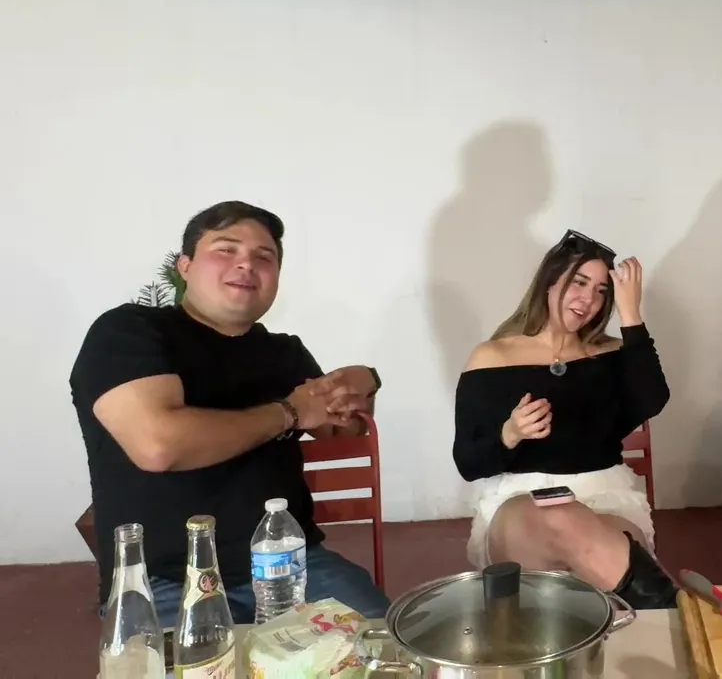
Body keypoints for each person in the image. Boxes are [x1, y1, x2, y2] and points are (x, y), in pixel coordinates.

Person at [71, 201, 391, 626]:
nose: (246, 264)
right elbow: (159, 445)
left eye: (265, 257)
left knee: (386, 649)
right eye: (226, 249)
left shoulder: (283, 352)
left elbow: (343, 430)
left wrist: (365, 382)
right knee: (195, 662)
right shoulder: (129, 332)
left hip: (290, 562)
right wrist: (290, 412)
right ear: (185, 266)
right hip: (163, 580)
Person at [453, 229, 677, 610]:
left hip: (605, 498)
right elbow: (467, 462)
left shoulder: (611, 354)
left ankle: (661, 616)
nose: (588, 300)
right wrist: (509, 434)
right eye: (579, 282)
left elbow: (652, 400)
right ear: (550, 282)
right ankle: (675, 611)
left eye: (602, 290)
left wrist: (631, 316)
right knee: (558, 517)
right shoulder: (492, 357)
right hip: (518, 504)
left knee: (580, 554)